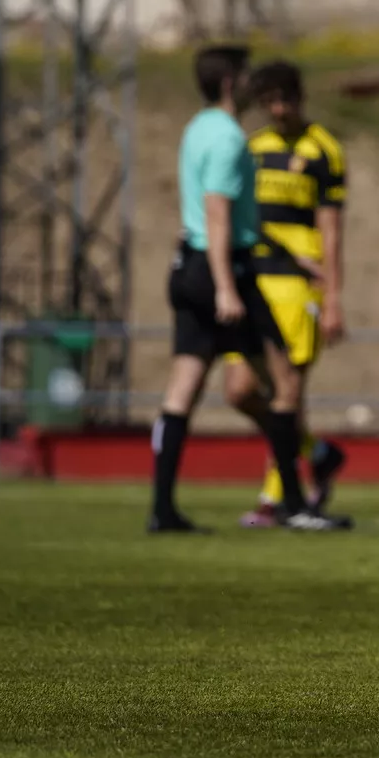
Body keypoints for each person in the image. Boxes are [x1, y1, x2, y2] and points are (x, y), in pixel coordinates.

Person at [150, 46, 340, 534]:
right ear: (233, 83)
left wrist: (287, 252)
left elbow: (209, 212)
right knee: (284, 384)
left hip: (189, 264)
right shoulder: (234, 139)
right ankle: (295, 501)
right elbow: (218, 213)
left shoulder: (195, 129)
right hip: (227, 272)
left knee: (181, 393)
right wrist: (226, 288)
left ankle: (163, 509)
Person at [230, 61, 352, 529]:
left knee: (289, 394)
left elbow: (331, 229)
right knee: (241, 391)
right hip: (254, 281)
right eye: (270, 102)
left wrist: (334, 296)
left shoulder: (324, 151)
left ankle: (275, 497)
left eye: (287, 99)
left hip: (298, 287)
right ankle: (316, 454)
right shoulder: (253, 150)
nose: (279, 110)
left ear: (301, 97)